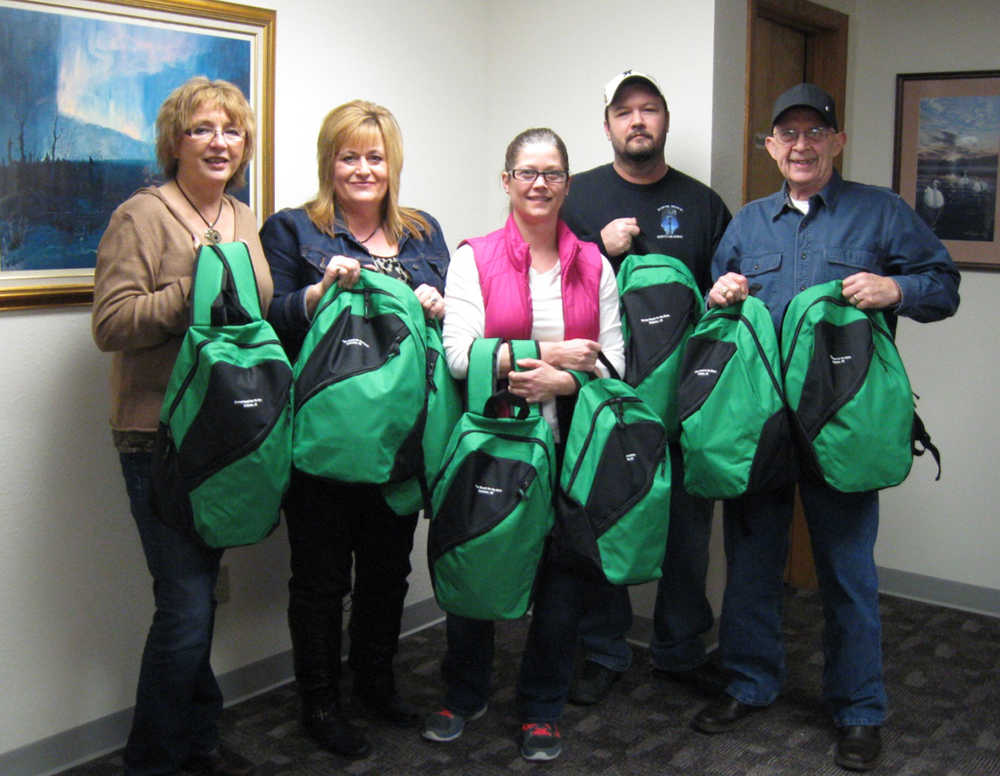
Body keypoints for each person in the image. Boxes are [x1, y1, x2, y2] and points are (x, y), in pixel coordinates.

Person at [691, 83, 960, 772]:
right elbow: (716, 309)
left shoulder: (881, 213)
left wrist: (896, 289)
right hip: (762, 424)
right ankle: (750, 683)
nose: (802, 145)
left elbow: (944, 283)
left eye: (816, 132)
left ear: (836, 143)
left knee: (847, 573)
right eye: (789, 134)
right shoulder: (749, 224)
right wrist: (719, 292)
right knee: (751, 566)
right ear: (772, 146)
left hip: (843, 424)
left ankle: (860, 711)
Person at [424, 128, 625, 762]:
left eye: (553, 173)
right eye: (528, 172)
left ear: (568, 183)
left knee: (561, 591)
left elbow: (617, 363)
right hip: (494, 447)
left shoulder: (596, 264)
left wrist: (565, 377)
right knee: (478, 568)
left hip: (570, 451)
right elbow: (459, 358)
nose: (540, 184)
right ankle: (465, 692)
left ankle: (542, 708)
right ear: (506, 180)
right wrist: (548, 353)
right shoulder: (472, 257)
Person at [259, 100, 449, 759]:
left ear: (392, 162)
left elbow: (450, 332)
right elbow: (269, 318)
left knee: (387, 572)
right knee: (319, 580)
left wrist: (438, 304)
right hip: (324, 439)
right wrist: (314, 296)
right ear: (328, 162)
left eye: (375, 156)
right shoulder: (292, 231)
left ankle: (375, 682)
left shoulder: (423, 235)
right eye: (349, 156)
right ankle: (320, 701)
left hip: (398, 440)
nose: (363, 168)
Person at [92, 76, 267, 776]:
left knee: (200, 593)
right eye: (203, 129)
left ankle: (197, 739)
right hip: (157, 436)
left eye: (231, 129)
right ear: (176, 141)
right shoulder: (141, 216)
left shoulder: (244, 217)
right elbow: (111, 325)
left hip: (226, 434)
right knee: (186, 604)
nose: (220, 142)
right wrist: (186, 287)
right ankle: (153, 759)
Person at [560, 69, 732, 706]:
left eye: (649, 109)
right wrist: (596, 254)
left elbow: (725, 306)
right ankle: (602, 649)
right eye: (624, 111)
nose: (638, 121)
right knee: (604, 522)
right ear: (606, 124)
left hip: (685, 402)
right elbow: (542, 299)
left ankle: (681, 652)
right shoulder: (573, 199)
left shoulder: (703, 204)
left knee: (687, 532)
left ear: (664, 120)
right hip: (605, 403)